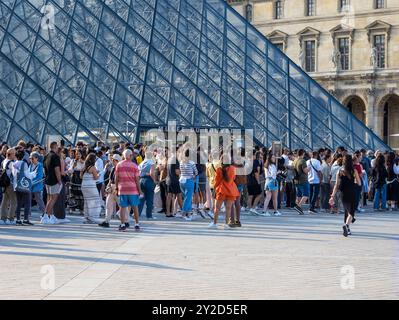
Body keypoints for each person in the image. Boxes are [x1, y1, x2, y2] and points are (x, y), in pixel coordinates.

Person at [330, 154, 361, 237]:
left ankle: (348, 229)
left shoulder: (339, 171)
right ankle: (346, 225)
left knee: (347, 211)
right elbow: (359, 183)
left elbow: (336, 185)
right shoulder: (354, 170)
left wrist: (332, 196)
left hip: (343, 193)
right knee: (351, 212)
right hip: (353, 192)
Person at [209, 153, 240, 228]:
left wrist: (214, 190)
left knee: (217, 208)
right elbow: (234, 178)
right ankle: (226, 224)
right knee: (228, 208)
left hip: (221, 189)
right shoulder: (233, 168)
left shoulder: (219, 169)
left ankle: (215, 223)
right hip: (231, 189)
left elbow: (217, 181)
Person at [115, 149, 142, 232]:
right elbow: (137, 179)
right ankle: (136, 224)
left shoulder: (119, 165)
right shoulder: (134, 166)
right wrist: (139, 190)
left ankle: (123, 224)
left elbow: (116, 178)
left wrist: (116, 188)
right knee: (135, 207)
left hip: (122, 189)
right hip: (133, 189)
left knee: (122, 207)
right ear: (130, 156)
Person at [12, 150, 36, 225]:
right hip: (24, 186)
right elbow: (27, 175)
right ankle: (25, 219)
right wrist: (33, 174)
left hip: (16, 185)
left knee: (18, 203)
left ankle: (18, 219)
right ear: (23, 156)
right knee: (27, 203)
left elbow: (14, 174)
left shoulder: (14, 163)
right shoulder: (23, 163)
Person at [99, 154, 122, 228]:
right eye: (112, 160)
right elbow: (110, 179)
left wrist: (116, 188)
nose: (112, 161)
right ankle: (107, 221)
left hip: (118, 188)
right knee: (108, 204)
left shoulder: (120, 168)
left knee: (121, 205)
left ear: (117, 161)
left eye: (114, 160)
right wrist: (108, 187)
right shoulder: (113, 168)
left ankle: (125, 221)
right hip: (112, 187)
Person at [42, 141, 62, 224]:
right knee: (53, 199)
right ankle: (45, 216)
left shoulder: (46, 156)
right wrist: (59, 180)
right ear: (55, 147)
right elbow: (57, 169)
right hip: (54, 180)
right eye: (57, 146)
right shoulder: (55, 157)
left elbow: (44, 169)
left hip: (47, 179)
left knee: (49, 199)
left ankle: (50, 216)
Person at [178, 148, 198, 221]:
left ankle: (189, 213)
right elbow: (196, 172)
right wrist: (194, 176)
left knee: (186, 197)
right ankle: (183, 213)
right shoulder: (191, 162)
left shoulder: (181, 162)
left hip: (181, 180)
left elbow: (180, 171)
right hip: (189, 180)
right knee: (188, 198)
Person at [138, 148, 157, 220]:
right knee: (149, 198)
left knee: (141, 198)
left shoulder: (142, 163)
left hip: (141, 180)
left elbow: (138, 173)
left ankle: (138, 213)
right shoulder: (152, 163)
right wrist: (154, 180)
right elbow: (152, 173)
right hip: (149, 180)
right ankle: (149, 215)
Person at [0, 148, 17, 225]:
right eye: (14, 154)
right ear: (11, 154)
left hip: (4, 184)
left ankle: (2, 218)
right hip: (10, 184)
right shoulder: (11, 163)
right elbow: (15, 173)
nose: (15, 155)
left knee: (4, 201)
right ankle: (10, 219)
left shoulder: (3, 161)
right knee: (13, 201)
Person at [166, 147, 183, 217]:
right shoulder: (176, 160)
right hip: (175, 180)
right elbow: (177, 172)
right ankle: (183, 211)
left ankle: (168, 212)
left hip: (169, 180)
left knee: (169, 196)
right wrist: (182, 171)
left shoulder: (169, 159)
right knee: (179, 195)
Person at [293, 149, 310, 215]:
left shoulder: (295, 160)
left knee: (299, 195)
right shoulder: (302, 161)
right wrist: (309, 169)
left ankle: (299, 209)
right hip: (303, 179)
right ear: (303, 153)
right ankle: (298, 206)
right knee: (306, 194)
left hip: (296, 180)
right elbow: (305, 171)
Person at [247, 151, 263, 215]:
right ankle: (253, 208)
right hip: (254, 181)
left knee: (250, 196)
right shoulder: (255, 162)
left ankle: (250, 209)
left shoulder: (248, 162)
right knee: (259, 194)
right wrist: (258, 181)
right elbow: (256, 173)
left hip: (249, 180)